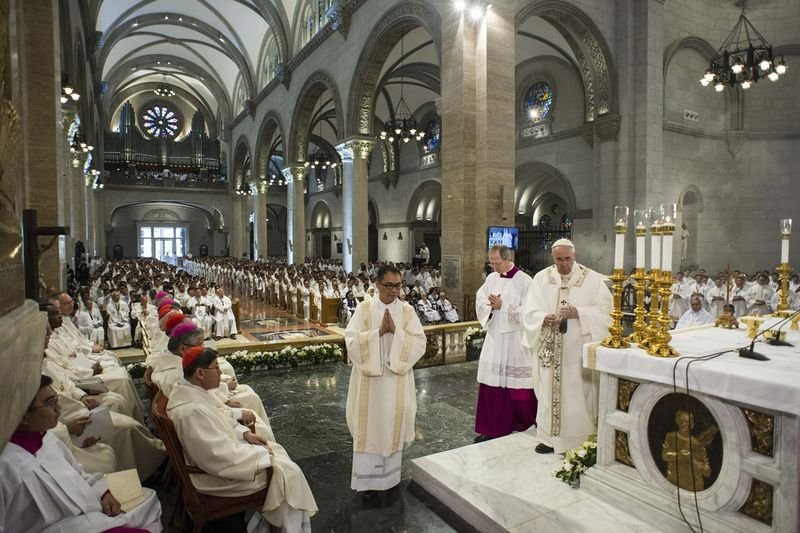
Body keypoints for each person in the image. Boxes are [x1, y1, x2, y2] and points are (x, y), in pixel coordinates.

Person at [167, 347, 317, 532]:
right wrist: (260, 456)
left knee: (279, 456)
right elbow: (216, 456)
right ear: (199, 373)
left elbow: (217, 418)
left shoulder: (190, 393)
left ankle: (266, 524)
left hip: (224, 464)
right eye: (216, 368)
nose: (220, 373)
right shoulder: (190, 411)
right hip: (215, 479)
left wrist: (243, 433)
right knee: (289, 474)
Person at [0, 375, 163, 532]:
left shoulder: (46, 437)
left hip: (89, 515)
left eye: (56, 399)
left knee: (149, 498)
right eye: (50, 403)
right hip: (67, 526)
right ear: (22, 416)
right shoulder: (6, 466)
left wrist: (103, 492)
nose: (58, 408)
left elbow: (77, 472)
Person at [522, 239, 612, 454]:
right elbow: (529, 310)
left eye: (568, 259)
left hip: (576, 351)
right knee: (547, 393)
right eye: (559, 260)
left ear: (575, 256)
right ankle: (548, 439)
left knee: (578, 394)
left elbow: (607, 313)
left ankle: (580, 441)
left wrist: (579, 313)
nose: (564, 264)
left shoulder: (592, 279)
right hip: (549, 348)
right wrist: (543, 317)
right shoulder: (542, 278)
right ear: (553, 258)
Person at [344, 265, 426, 496]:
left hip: (396, 380)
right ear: (377, 284)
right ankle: (367, 483)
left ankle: (390, 480)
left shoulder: (407, 311)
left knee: (391, 426)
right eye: (389, 285)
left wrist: (397, 333)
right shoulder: (365, 309)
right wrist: (378, 332)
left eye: (398, 285)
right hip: (369, 383)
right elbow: (351, 341)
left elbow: (419, 343)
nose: (394, 290)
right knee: (370, 428)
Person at [473, 245, 537, 442]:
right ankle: (492, 429)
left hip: (515, 342)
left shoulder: (525, 281)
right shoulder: (492, 278)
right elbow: (480, 300)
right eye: (491, 263)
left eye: (497, 263)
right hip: (495, 339)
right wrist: (490, 308)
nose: (493, 267)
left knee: (518, 389)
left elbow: (530, 312)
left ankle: (523, 424)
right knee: (491, 385)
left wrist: (504, 306)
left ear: (508, 259)